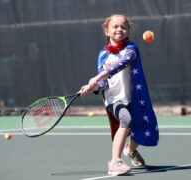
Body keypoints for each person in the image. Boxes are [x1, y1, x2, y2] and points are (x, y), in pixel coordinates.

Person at [80, 14, 159, 175]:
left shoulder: (131, 49)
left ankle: (130, 150)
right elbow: (103, 84)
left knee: (142, 129)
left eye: (123, 27)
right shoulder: (103, 54)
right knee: (126, 119)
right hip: (114, 100)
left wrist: (97, 77)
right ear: (106, 31)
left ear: (128, 31)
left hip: (134, 99)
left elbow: (121, 64)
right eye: (115, 26)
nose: (119, 29)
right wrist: (93, 87)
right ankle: (115, 162)